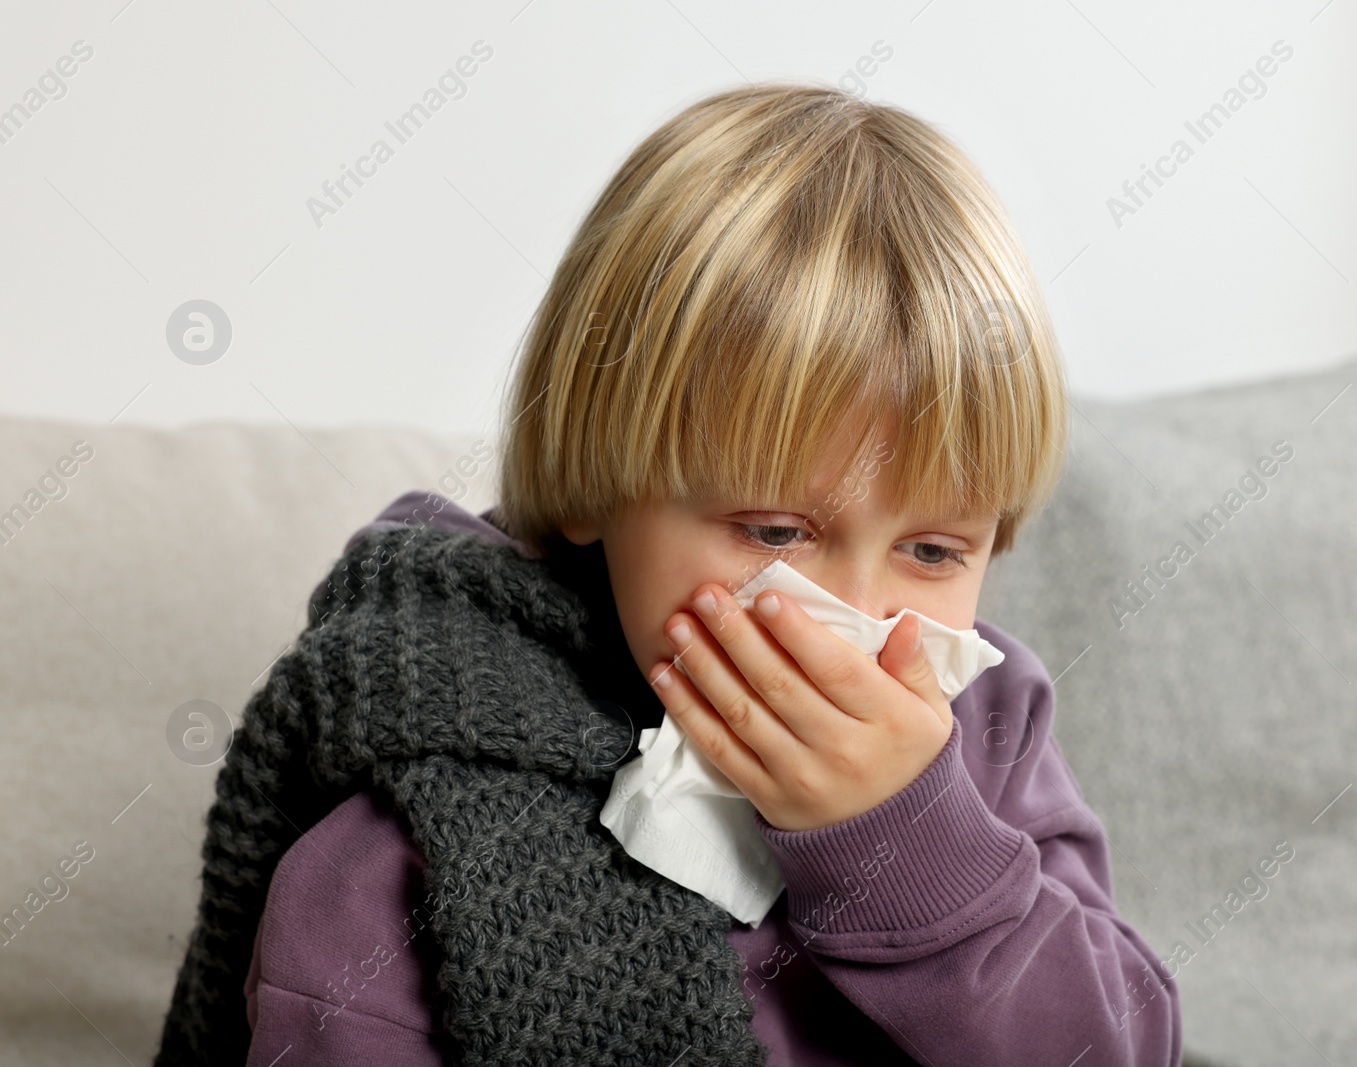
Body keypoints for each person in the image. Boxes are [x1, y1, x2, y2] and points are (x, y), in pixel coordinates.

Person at [156, 80, 1182, 1066]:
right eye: (777, 530)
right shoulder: (422, 806)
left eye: (932, 550)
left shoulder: (990, 726)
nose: (855, 618)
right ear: (593, 484)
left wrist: (910, 843)